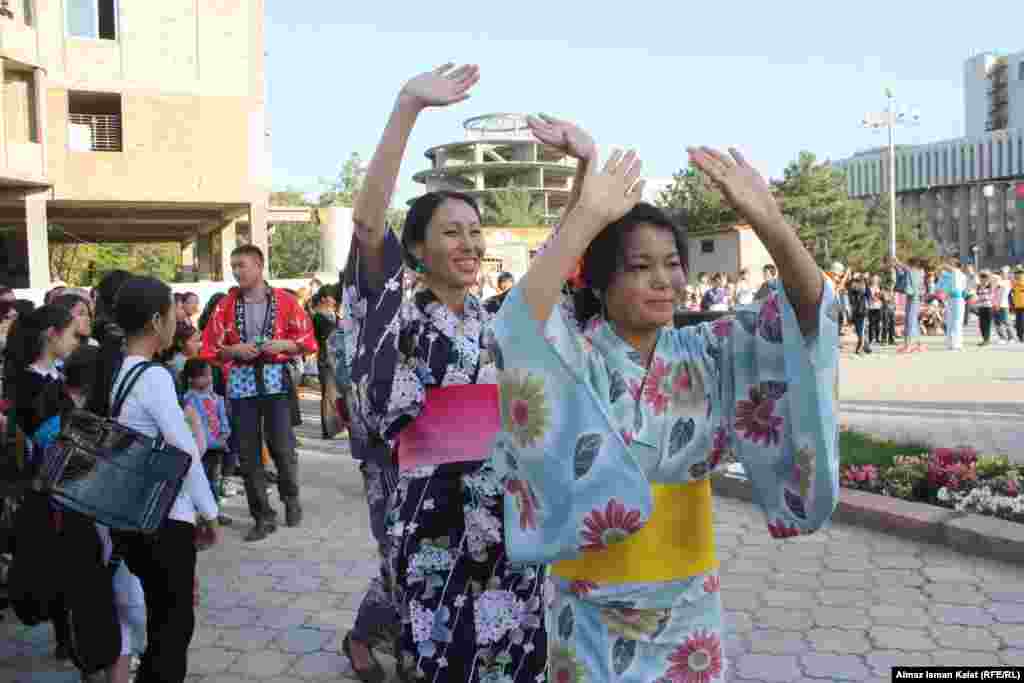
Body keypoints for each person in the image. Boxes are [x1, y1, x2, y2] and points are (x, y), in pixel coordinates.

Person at [489, 140, 838, 683]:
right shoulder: (574, 358)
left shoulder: (711, 349)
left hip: (688, 603)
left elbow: (807, 313)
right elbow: (517, 328)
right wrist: (584, 219)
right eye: (640, 266)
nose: (664, 280)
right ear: (601, 282)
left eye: (673, 264)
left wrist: (768, 219)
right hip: (589, 603)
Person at [340, 63, 547, 683]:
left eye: (476, 232)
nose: (469, 244)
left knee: (515, 651)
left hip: (502, 512)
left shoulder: (495, 321)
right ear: (418, 249)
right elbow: (368, 224)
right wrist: (406, 107)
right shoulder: (394, 314)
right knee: (439, 658)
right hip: (430, 512)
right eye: (451, 232)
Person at [89, 275, 220, 683]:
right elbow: (184, 453)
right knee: (173, 627)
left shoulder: (122, 373)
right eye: (170, 313)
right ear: (153, 321)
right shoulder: (153, 377)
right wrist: (209, 511)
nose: (175, 322)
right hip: (163, 520)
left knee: (164, 622)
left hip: (131, 517)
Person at [200, 245, 317, 541]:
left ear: (259, 265)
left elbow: (306, 340)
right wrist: (232, 350)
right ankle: (262, 516)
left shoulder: (286, 301)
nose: (237, 271)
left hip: (275, 379)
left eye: (242, 265)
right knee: (248, 454)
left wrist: (283, 346)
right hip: (240, 380)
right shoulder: (225, 305)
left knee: (282, 447)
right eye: (234, 266)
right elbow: (210, 347)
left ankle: (291, 498)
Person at [181, 358, 233, 526]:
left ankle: (214, 513)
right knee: (198, 481)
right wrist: (218, 443)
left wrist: (225, 435)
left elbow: (223, 419)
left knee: (214, 481)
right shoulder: (188, 400)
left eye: (209, 375)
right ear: (191, 379)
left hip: (216, 448)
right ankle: (199, 515)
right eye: (203, 376)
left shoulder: (216, 398)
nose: (209, 379)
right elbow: (198, 429)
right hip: (201, 450)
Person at [892, 255, 927, 353]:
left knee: (910, 322)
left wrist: (897, 262)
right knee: (911, 321)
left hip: (914, 298)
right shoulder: (917, 272)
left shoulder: (917, 272)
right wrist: (896, 266)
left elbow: (906, 269)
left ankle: (910, 345)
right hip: (912, 298)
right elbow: (903, 273)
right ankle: (916, 344)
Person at [938, 259, 968, 350]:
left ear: (956, 265)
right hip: (950, 299)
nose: (949, 265)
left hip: (958, 299)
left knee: (957, 322)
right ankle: (950, 344)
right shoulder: (948, 275)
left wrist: (944, 265)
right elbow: (941, 278)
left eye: (951, 263)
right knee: (950, 321)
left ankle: (956, 344)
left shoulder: (960, 274)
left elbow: (963, 289)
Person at [847, 275, 872, 354]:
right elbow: (868, 294)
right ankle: (864, 346)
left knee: (861, 330)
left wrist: (864, 281)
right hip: (858, 310)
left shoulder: (859, 287)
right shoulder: (853, 287)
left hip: (861, 311)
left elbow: (868, 294)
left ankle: (863, 347)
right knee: (860, 330)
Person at [973, 271, 994, 346]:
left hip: (988, 307)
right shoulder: (978, 286)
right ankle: (984, 339)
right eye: (981, 279)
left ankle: (986, 340)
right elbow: (976, 296)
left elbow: (991, 296)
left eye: (984, 278)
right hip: (981, 307)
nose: (983, 280)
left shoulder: (990, 286)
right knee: (981, 325)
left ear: (987, 279)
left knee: (987, 325)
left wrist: (983, 298)